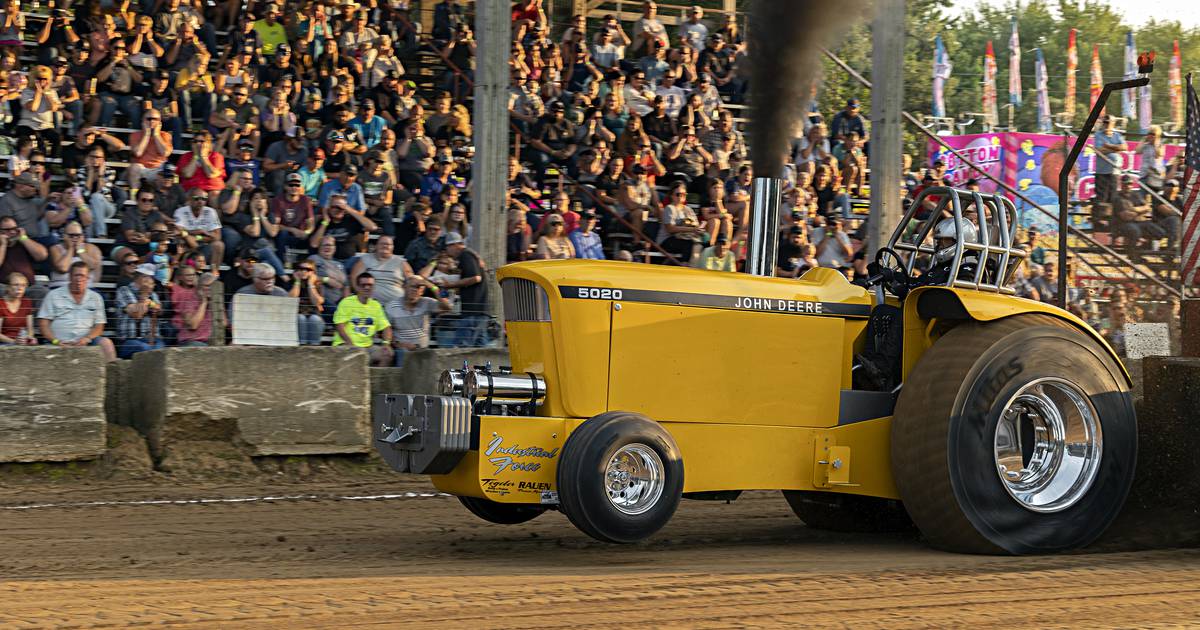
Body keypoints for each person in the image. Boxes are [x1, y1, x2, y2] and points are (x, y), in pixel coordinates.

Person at [36, 261, 116, 361]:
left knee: (106, 344)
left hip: (87, 342)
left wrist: (87, 339)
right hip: (58, 342)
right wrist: (56, 341)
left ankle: (113, 375)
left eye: (82, 276)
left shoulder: (96, 297)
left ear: (87, 278)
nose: (79, 279)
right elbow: (43, 324)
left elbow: (99, 326)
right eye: (76, 275)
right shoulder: (54, 295)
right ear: (69, 277)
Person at [385, 275, 451, 366]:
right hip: (401, 349)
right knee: (403, 355)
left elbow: (447, 307)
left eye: (419, 287)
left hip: (422, 349)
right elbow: (387, 330)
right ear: (404, 287)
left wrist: (433, 288)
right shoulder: (392, 306)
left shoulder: (427, 303)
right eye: (412, 286)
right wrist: (399, 344)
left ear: (422, 291)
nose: (415, 290)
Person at [436, 233, 487, 347]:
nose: (447, 253)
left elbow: (476, 278)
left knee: (462, 348)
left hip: (472, 312)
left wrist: (450, 285)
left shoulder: (465, 255)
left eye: (446, 248)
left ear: (453, 245)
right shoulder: (469, 255)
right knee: (480, 351)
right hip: (479, 311)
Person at [333, 271, 394, 365]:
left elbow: (386, 328)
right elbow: (340, 327)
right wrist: (351, 344)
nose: (367, 287)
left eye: (370, 285)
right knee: (356, 356)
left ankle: (375, 380)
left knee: (387, 354)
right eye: (363, 285)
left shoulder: (376, 305)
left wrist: (386, 344)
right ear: (357, 287)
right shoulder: (346, 303)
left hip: (367, 347)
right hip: (346, 344)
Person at [114, 263, 165, 358]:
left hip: (153, 340)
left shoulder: (153, 294)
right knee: (147, 351)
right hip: (129, 341)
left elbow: (159, 310)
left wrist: (150, 302)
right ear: (142, 278)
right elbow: (137, 315)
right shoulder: (124, 290)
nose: (153, 282)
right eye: (151, 278)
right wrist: (144, 296)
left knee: (160, 351)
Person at [350, 235, 413, 306]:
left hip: (396, 305)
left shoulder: (401, 262)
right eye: (382, 243)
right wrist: (361, 296)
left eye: (388, 244)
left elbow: (411, 282)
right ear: (376, 246)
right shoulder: (365, 259)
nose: (385, 246)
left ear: (393, 247)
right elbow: (354, 278)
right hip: (370, 304)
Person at [174, 189, 226, 269]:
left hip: (204, 247)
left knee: (219, 245)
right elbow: (178, 231)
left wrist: (199, 236)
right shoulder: (181, 211)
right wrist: (197, 232)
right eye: (196, 198)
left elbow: (217, 237)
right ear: (189, 199)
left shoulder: (211, 211)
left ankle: (214, 272)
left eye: (203, 199)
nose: (200, 201)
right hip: (187, 246)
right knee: (184, 239)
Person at [47, 221, 101, 289]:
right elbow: (63, 268)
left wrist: (80, 251)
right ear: (64, 236)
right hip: (60, 286)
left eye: (78, 235)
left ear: (83, 237)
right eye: (71, 235)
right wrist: (71, 249)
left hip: (85, 287)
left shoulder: (91, 248)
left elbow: (92, 266)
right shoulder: (55, 248)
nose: (75, 238)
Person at [170, 265, 215, 346]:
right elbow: (193, 325)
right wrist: (203, 303)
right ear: (200, 287)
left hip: (208, 343)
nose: (210, 289)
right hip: (192, 342)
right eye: (207, 286)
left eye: (212, 286)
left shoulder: (215, 302)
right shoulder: (189, 300)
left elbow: (224, 323)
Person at [0, 215, 49, 287]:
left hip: (28, 287)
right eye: (8, 230)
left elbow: (42, 255)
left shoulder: (23, 242)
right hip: (5, 288)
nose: (13, 232)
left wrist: (24, 238)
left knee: (42, 291)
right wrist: (3, 245)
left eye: (15, 229)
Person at [1092, 114, 1127, 207]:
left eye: (1108, 122)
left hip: (1114, 172)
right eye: (1105, 122)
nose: (1106, 124)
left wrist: (1109, 146)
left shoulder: (1117, 135)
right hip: (1102, 171)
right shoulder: (1098, 135)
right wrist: (1116, 149)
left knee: (1112, 197)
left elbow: (1124, 147)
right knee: (1101, 198)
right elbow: (1099, 150)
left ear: (1113, 123)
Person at [289, 259, 326, 345]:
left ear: (313, 272)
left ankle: (314, 347)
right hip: (296, 318)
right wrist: (297, 282)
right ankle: (301, 346)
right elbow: (291, 299)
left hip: (315, 319)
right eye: (301, 269)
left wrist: (310, 284)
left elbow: (317, 302)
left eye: (308, 270)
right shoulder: (291, 282)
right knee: (300, 318)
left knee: (314, 319)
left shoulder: (318, 284)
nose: (304, 271)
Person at [0, 271, 36, 345]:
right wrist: (14, 342)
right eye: (16, 285)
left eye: (23, 285)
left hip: (21, 341)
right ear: (8, 287)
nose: (20, 288)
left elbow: (30, 329)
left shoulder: (27, 302)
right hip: (4, 343)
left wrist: (29, 338)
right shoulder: (1, 304)